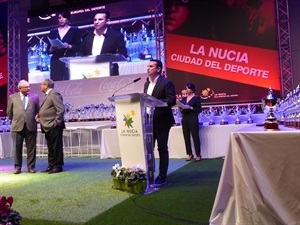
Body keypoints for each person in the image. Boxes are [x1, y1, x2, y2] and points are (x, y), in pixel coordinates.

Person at [144, 59, 176, 187]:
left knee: (162, 148)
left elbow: (171, 100)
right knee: (149, 149)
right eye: (147, 66)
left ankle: (162, 176)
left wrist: (155, 102)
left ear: (158, 69)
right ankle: (149, 173)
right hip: (149, 121)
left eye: (151, 66)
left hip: (162, 120)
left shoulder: (166, 83)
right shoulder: (146, 84)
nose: (148, 68)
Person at [77, 9, 128, 76]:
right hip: (90, 72)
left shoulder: (116, 36)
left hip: (109, 72)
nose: (96, 22)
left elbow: (123, 53)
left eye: (100, 19)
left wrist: (110, 58)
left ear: (107, 21)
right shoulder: (87, 37)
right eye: (95, 20)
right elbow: (81, 53)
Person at [7, 80, 40, 174]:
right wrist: (17, 119)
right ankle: (17, 167)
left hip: (31, 126)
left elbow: (38, 110)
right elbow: (9, 113)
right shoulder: (13, 97)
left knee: (31, 148)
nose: (28, 88)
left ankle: (31, 167)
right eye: (26, 87)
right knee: (17, 148)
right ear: (20, 88)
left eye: (29, 86)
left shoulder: (35, 97)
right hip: (17, 126)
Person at [36, 79, 65, 174]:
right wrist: (40, 115)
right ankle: (51, 165)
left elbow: (60, 110)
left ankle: (58, 166)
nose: (40, 86)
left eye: (41, 84)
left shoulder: (54, 94)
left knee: (56, 146)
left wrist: (57, 122)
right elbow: (48, 109)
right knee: (50, 146)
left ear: (46, 85)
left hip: (54, 125)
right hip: (47, 125)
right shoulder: (48, 95)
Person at [48, 11, 82, 81]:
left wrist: (69, 46)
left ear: (68, 19)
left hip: (69, 60)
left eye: (64, 17)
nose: (61, 19)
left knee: (69, 81)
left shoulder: (74, 30)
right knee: (56, 82)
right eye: (59, 18)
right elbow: (48, 50)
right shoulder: (53, 32)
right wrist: (51, 49)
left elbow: (79, 47)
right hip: (56, 61)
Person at [179, 83, 202, 161]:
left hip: (193, 118)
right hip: (185, 118)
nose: (187, 90)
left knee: (195, 136)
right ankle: (189, 154)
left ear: (192, 89)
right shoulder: (184, 99)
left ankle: (198, 154)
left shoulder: (196, 98)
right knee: (186, 136)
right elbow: (181, 109)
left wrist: (191, 107)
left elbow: (199, 109)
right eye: (186, 88)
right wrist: (181, 108)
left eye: (188, 88)